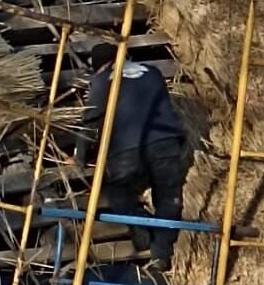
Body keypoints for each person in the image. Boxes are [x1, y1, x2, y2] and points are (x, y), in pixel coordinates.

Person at [75, 43, 187, 267]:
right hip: (166, 142)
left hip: (126, 148)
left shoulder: (102, 80)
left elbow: (90, 122)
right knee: (168, 197)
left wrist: (80, 156)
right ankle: (161, 253)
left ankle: (142, 226)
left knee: (118, 191)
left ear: (101, 66)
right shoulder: (153, 72)